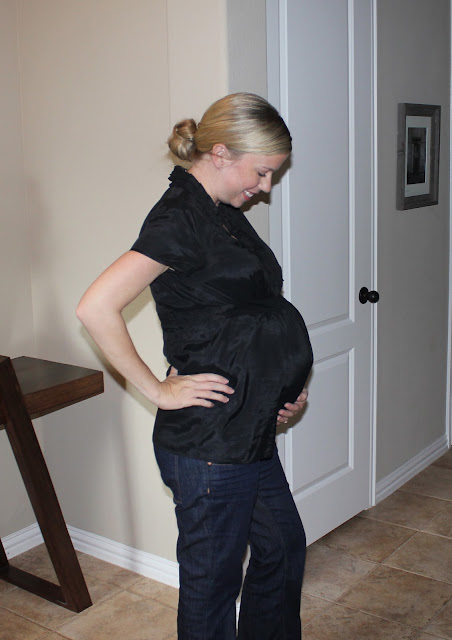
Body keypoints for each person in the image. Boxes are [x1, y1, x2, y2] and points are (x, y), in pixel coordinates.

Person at [76, 92, 313, 640]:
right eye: (262, 172)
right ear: (222, 153)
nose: (266, 187)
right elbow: (95, 307)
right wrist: (158, 390)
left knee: (282, 546)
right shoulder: (180, 217)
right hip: (210, 444)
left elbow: (245, 314)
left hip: (247, 429)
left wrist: (279, 385)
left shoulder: (224, 213)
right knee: (213, 584)